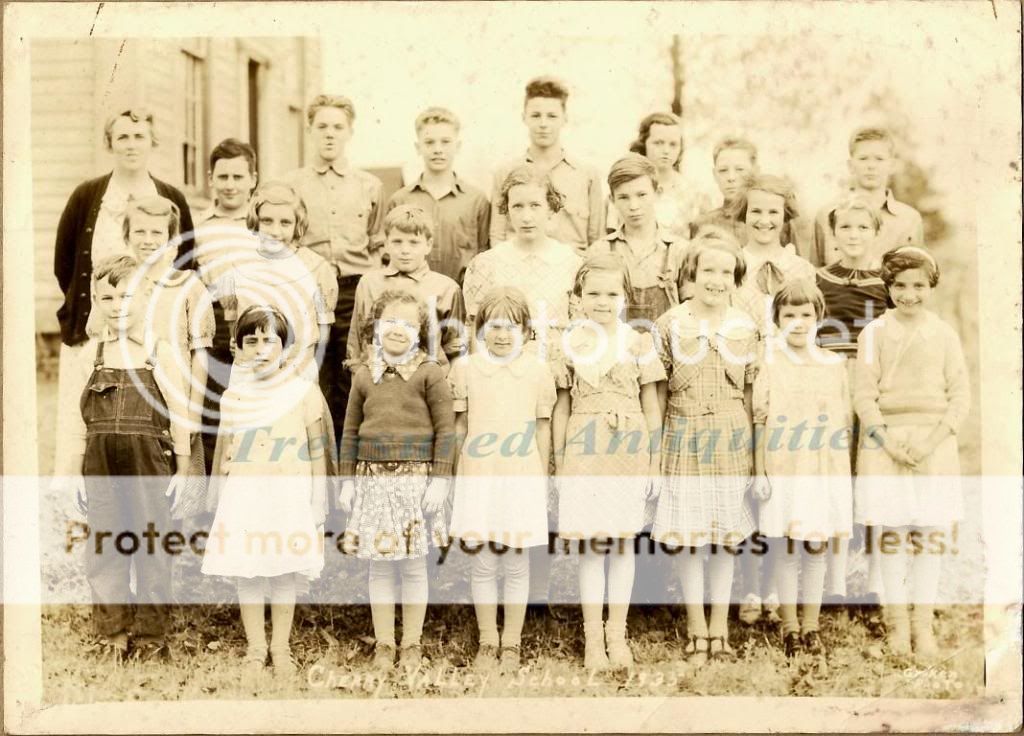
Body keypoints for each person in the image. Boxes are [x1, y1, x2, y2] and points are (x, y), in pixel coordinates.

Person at [60, 254, 190, 662]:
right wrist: (73, 472)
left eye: (126, 296)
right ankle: (112, 634)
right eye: (107, 297)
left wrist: (183, 468)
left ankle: (152, 637)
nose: (117, 306)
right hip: (99, 462)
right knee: (105, 545)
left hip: (149, 459)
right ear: (97, 301)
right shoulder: (91, 355)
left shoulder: (159, 352)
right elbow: (72, 418)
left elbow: (183, 413)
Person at [463, 166, 582, 614]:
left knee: (546, 470)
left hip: (555, 380)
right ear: (506, 212)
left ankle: (538, 592)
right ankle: (502, 586)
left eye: (536, 205)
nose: (527, 215)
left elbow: (583, 325)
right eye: (517, 206)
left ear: (552, 209)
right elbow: (475, 331)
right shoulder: (487, 264)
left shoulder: (570, 262)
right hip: (501, 386)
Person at [53, 108, 194, 478]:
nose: (131, 145)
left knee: (146, 423)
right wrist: (99, 306)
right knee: (84, 420)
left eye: (139, 137)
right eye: (123, 137)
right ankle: (79, 509)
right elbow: (65, 261)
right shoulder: (87, 195)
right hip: (97, 328)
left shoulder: (169, 196)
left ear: (152, 142)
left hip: (153, 334)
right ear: (110, 143)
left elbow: (187, 257)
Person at [853, 247, 969, 662]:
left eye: (918, 286)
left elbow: (960, 396)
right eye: (900, 286)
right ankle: (898, 626)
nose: (909, 294)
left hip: (932, 445)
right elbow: (864, 396)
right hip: (886, 445)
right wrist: (888, 443)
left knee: (927, 536)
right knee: (893, 537)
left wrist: (930, 440)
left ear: (931, 286)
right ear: (887, 287)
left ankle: (924, 627)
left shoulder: (943, 333)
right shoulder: (874, 334)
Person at [551, 256, 665, 671]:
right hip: (584, 448)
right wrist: (561, 462)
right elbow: (561, 407)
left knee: (620, 544)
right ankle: (592, 638)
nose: (602, 301)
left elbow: (652, 407)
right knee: (592, 547)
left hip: (629, 448)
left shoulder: (637, 341)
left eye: (612, 293)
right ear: (578, 298)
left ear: (625, 297)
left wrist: (653, 464)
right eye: (593, 293)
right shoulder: (569, 342)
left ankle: (617, 633)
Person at [202, 306, 327, 677]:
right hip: (245, 496)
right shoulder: (233, 397)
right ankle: (256, 648)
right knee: (249, 572)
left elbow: (317, 450)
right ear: (237, 350)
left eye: (269, 340)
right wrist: (217, 494)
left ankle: (281, 647)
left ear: (285, 348)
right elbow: (225, 448)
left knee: (284, 571)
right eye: (250, 341)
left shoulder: (304, 392)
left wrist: (319, 497)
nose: (260, 349)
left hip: (289, 496)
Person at [651, 232, 758, 664]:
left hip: (731, 436)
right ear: (691, 276)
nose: (717, 280)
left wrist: (753, 451)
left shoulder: (745, 325)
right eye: (708, 271)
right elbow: (656, 393)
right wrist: (656, 450)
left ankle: (720, 626)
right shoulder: (670, 324)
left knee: (725, 537)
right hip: (684, 432)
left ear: (735, 279)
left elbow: (751, 394)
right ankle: (696, 624)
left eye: (726, 272)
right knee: (691, 537)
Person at [337, 291, 455, 673]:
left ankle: (412, 643)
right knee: (381, 566)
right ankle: (385, 643)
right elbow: (350, 430)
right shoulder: (363, 374)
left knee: (414, 566)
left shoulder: (429, 372)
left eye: (407, 324)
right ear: (375, 327)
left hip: (416, 481)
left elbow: (445, 430)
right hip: (372, 479)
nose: (397, 331)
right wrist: (347, 482)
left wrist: (440, 479)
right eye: (390, 322)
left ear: (420, 332)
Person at [448, 287, 556, 673]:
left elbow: (543, 429)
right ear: (480, 329)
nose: (502, 335)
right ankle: (487, 640)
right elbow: (459, 426)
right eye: (494, 326)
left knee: (515, 560)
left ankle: (511, 641)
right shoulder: (465, 369)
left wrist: (542, 478)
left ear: (527, 331)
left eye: (512, 327)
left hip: (521, 472)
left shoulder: (538, 371)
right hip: (480, 472)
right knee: (483, 562)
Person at [751, 281, 853, 660]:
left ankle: (811, 626)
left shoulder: (833, 364)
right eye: (788, 314)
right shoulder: (770, 362)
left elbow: (843, 423)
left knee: (816, 543)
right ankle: (790, 626)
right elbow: (759, 419)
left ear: (819, 317)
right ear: (777, 319)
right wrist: (760, 470)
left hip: (823, 467)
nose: (797, 322)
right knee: (786, 545)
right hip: (784, 466)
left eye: (805, 314)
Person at [282, 94, 385, 439]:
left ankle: (346, 468)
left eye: (337, 127)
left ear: (350, 131)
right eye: (322, 126)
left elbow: (377, 243)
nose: (330, 134)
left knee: (351, 376)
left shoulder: (369, 185)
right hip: (306, 290)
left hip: (353, 292)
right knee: (311, 375)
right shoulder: (292, 185)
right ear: (310, 129)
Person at [815, 197, 889, 607]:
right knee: (836, 475)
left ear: (876, 233)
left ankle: (876, 577)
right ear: (834, 233)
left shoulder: (886, 284)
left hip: (872, 384)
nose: (854, 235)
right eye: (845, 227)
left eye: (863, 227)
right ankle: (836, 578)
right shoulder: (819, 278)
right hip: (830, 383)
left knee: (873, 476)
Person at [212, 182, 337, 382]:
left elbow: (323, 329)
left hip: (298, 366)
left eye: (285, 223)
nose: (274, 230)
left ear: (297, 225)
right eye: (267, 221)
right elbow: (233, 320)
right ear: (256, 221)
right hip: (250, 368)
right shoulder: (237, 264)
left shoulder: (315, 268)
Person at [194, 138, 260, 469]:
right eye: (223, 177)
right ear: (211, 179)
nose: (230, 185)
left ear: (253, 179)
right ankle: (211, 501)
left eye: (238, 177)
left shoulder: (266, 224)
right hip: (216, 324)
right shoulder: (200, 228)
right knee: (214, 406)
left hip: (262, 326)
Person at [489, 76, 604, 255]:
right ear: (524, 118)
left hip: (572, 273)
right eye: (536, 116)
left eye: (551, 116)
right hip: (519, 272)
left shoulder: (587, 174)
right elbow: (497, 236)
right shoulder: (505, 173)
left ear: (564, 118)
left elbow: (597, 240)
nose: (543, 124)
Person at [347, 205, 466, 369]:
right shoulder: (369, 283)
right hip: (377, 382)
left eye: (414, 243)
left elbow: (455, 348)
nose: (405, 250)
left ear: (428, 245)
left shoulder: (447, 288)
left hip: (427, 385)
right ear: (386, 243)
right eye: (397, 242)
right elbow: (357, 340)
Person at [385, 107, 490, 283]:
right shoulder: (400, 200)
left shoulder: (476, 200)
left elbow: (484, 255)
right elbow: (390, 256)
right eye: (429, 142)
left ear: (458, 147)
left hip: (461, 297)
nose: (438, 149)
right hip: (411, 298)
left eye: (445, 142)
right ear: (418, 147)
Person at [589, 153, 687, 330]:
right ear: (612, 200)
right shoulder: (600, 251)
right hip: (614, 351)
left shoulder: (679, 251)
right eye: (624, 197)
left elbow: (692, 314)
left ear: (657, 193)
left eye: (641, 195)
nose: (633, 206)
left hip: (667, 351)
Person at [812, 126, 924, 268]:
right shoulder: (827, 215)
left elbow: (916, 278)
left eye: (879, 159)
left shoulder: (909, 220)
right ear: (851, 165)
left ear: (892, 165)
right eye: (863, 158)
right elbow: (813, 276)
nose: (871, 166)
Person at [732, 174, 817, 340]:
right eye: (756, 211)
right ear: (745, 213)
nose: (764, 220)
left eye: (773, 212)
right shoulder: (732, 265)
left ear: (785, 215)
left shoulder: (802, 269)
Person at [616, 111, 710, 240]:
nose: (666, 150)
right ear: (644, 144)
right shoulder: (626, 189)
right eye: (658, 143)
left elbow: (700, 242)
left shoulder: (694, 193)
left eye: (673, 144)